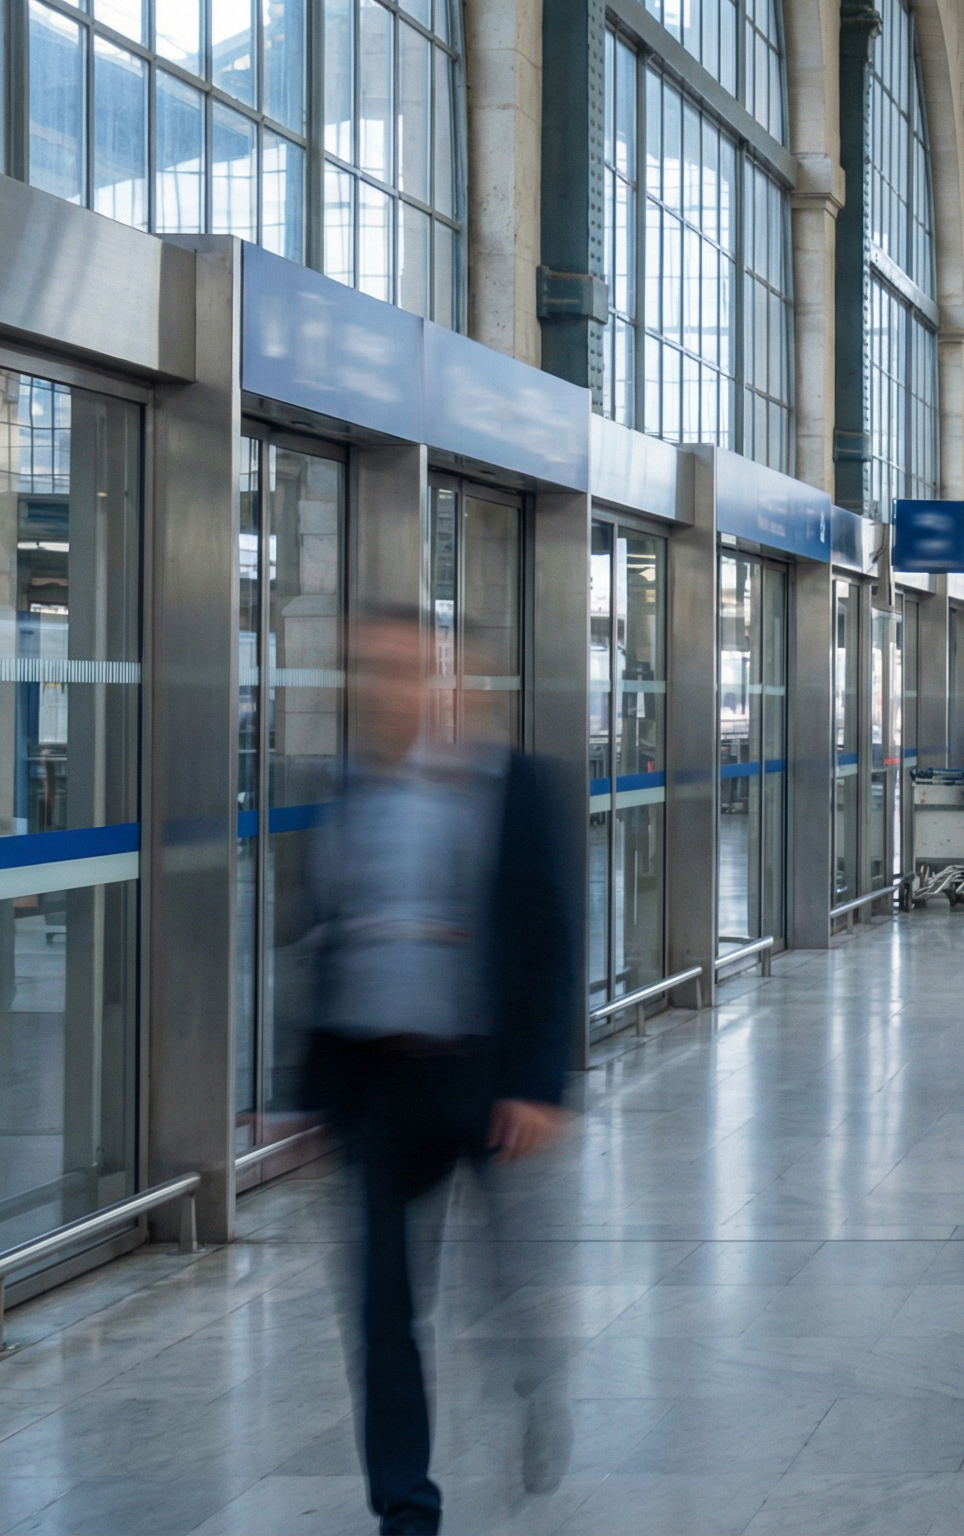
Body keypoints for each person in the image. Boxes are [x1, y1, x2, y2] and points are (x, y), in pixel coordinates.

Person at [299, 607, 582, 1536]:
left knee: (504, 1288)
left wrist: (540, 1083)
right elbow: (321, 938)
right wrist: (305, 1094)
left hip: (483, 1078)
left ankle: (537, 1384)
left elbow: (548, 939)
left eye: (401, 670)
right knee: (384, 1315)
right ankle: (405, 1509)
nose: (381, 689)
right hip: (378, 1086)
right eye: (365, 672)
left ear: (443, 681)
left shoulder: (509, 786)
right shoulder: (343, 789)